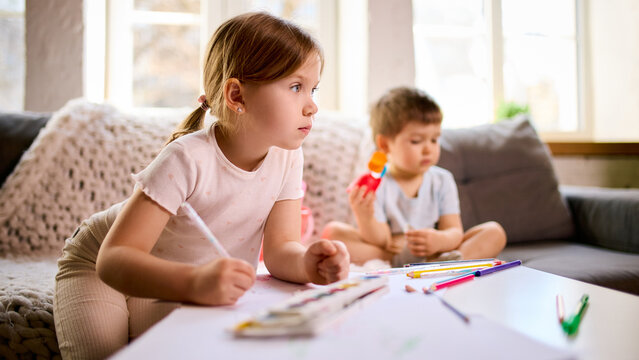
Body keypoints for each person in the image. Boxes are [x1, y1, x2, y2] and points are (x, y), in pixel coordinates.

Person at [54, 12, 350, 360]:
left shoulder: (287, 157)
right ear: (237, 96)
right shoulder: (186, 158)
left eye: (312, 89)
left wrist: (307, 264)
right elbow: (115, 260)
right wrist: (195, 284)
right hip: (102, 264)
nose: (312, 105)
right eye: (296, 87)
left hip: (175, 275)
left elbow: (280, 249)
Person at [322, 87, 506, 267]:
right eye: (416, 141)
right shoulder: (378, 183)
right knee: (333, 233)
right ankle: (396, 262)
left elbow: (454, 232)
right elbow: (382, 240)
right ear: (385, 144)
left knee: (494, 232)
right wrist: (365, 217)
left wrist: (439, 240)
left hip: (436, 252)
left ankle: (448, 263)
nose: (428, 149)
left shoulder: (442, 180)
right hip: (392, 252)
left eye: (434, 139)